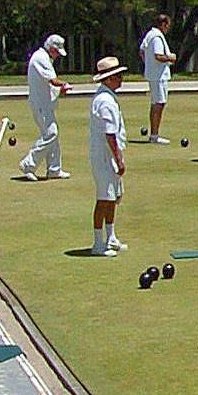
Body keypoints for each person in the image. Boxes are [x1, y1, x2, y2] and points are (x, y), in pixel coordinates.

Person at [88, 56, 131, 255]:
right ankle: (98, 243)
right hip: (105, 157)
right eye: (118, 76)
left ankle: (111, 237)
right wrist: (118, 159)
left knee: (112, 198)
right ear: (108, 79)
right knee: (104, 198)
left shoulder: (107, 97)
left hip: (108, 156)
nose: (121, 79)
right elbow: (109, 134)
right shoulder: (105, 101)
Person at [19, 34, 72, 179]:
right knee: (51, 134)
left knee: (52, 134)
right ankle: (28, 164)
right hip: (40, 104)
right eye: (57, 52)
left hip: (44, 103)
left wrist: (59, 90)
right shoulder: (41, 58)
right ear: (51, 49)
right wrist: (65, 84)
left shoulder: (44, 58)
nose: (57, 56)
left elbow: (46, 84)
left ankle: (54, 169)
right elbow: (53, 81)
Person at [140, 12, 176, 144]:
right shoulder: (156, 37)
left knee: (156, 103)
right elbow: (158, 56)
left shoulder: (149, 34)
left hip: (154, 74)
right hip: (159, 76)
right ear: (163, 24)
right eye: (167, 25)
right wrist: (170, 58)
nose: (168, 28)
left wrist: (147, 64)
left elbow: (142, 51)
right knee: (159, 104)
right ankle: (154, 135)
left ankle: (154, 134)